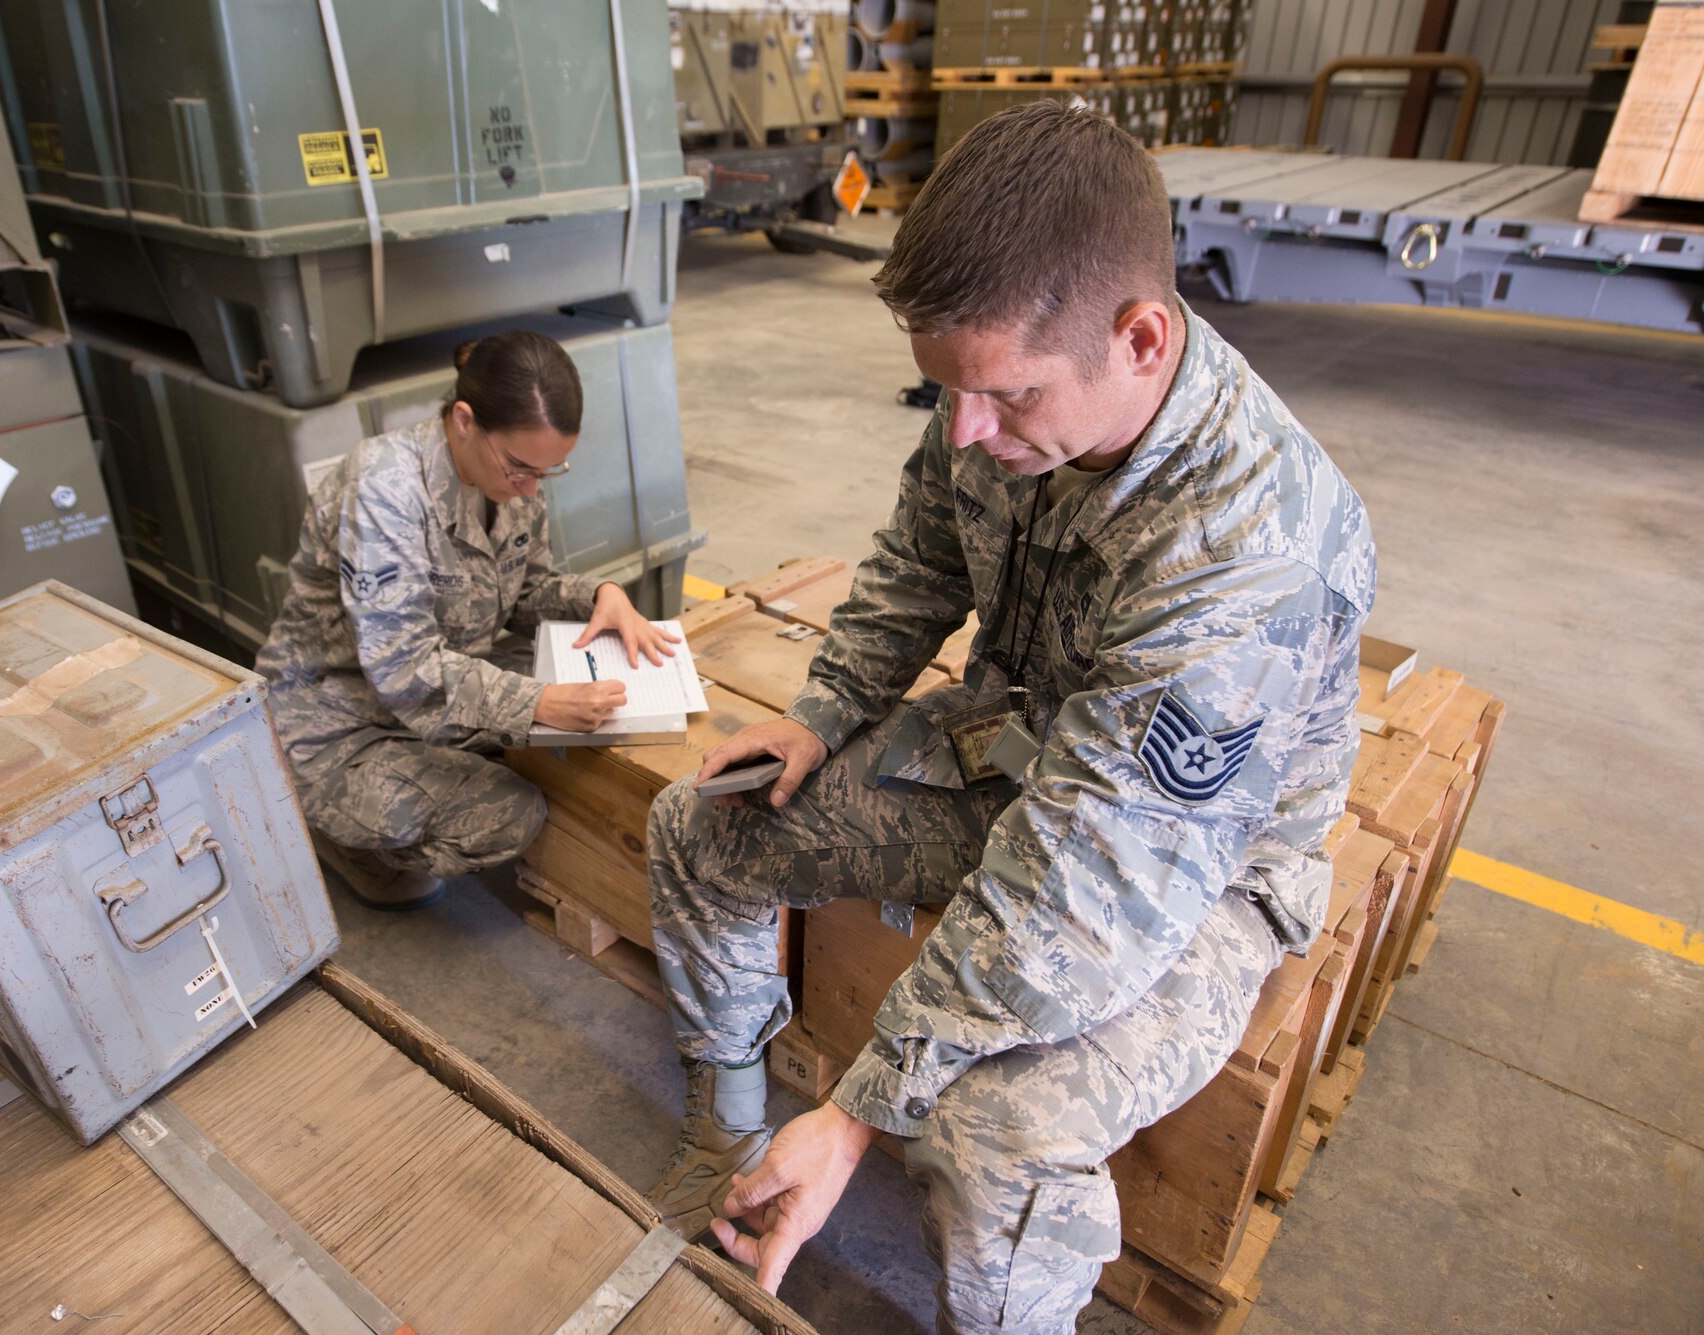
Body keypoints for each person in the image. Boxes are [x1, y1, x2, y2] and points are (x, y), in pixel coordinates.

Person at [643, 102, 1376, 1332]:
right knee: (701, 823)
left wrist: (862, 1106)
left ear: (1139, 338)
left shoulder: (1248, 551)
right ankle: (725, 1149)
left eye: (1005, 397)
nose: (967, 432)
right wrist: (825, 712)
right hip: (1020, 753)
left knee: (992, 1128)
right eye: (951, 394)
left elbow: (1086, 889)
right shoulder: (997, 399)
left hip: (1190, 870)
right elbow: (921, 552)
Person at [257, 330, 677, 907]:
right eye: (521, 469)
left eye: (547, 474)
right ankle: (344, 837)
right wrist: (536, 705)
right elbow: (405, 670)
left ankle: (436, 774)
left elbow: (522, 586)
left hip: (443, 678)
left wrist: (600, 597)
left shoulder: (508, 473)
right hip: (339, 720)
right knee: (510, 813)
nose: (530, 488)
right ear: (463, 420)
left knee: (590, 720)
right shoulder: (384, 488)